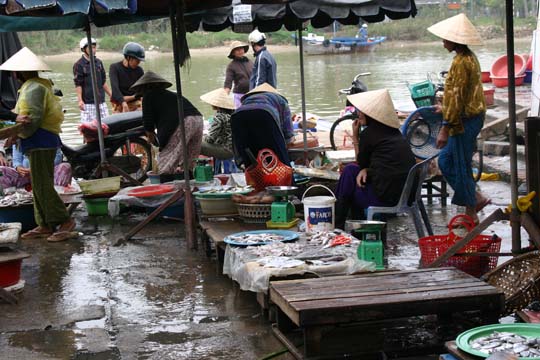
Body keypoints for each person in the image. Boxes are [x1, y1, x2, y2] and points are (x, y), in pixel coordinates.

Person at [0, 47, 75, 242]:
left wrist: (15, 134)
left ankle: (65, 221)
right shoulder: (32, 86)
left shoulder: (35, 88)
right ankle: (44, 224)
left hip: (41, 140)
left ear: (20, 73)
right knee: (38, 185)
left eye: (15, 72)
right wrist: (16, 135)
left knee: (42, 185)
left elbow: (31, 120)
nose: (13, 76)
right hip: (34, 141)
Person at [428, 13, 490, 224]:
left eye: (446, 38)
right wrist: (444, 107)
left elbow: (457, 96)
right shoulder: (464, 58)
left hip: (466, 120)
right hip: (466, 116)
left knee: (456, 163)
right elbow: (458, 95)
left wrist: (445, 127)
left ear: (455, 41)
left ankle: (471, 208)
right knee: (448, 161)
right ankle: (475, 199)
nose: (443, 41)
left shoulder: (463, 62)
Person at [334, 89, 416, 229]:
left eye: (361, 111)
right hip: (405, 195)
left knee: (349, 175)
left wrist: (355, 137)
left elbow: (361, 163)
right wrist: (366, 169)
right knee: (351, 171)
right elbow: (379, 165)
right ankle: (346, 224)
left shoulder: (369, 134)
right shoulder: (394, 133)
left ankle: (339, 223)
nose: (358, 114)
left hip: (386, 199)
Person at [130, 71, 203, 176]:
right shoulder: (170, 95)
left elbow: (148, 122)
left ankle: (166, 182)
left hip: (184, 122)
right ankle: (188, 182)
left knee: (167, 158)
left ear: (144, 88)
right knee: (189, 160)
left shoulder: (148, 96)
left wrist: (152, 138)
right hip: (197, 119)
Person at [231, 83, 293, 168]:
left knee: (250, 159)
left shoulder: (246, 101)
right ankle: (285, 180)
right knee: (281, 160)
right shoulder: (281, 100)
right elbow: (288, 132)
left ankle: (254, 179)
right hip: (265, 114)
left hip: (237, 115)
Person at [73, 37, 112, 123]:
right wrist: (80, 100)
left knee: (106, 126)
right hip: (88, 103)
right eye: (90, 47)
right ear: (83, 49)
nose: (93, 50)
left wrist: (111, 95)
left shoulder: (98, 62)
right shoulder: (79, 65)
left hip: (101, 102)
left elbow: (103, 81)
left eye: (94, 47)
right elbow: (78, 84)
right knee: (88, 130)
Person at [0, 146, 71, 189]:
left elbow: (57, 158)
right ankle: (9, 198)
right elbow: (16, 160)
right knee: (1, 170)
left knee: (66, 166)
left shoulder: (51, 134)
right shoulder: (18, 137)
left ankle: (58, 195)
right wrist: (19, 168)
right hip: (26, 175)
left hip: (48, 173)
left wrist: (37, 168)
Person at [200, 88, 235, 160]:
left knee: (195, 145)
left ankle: (187, 168)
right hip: (234, 149)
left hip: (226, 150)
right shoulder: (232, 115)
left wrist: (202, 137)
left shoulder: (219, 117)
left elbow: (210, 139)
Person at [109, 42, 145, 113]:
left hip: (136, 103)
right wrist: (124, 103)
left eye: (139, 61)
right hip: (120, 104)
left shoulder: (139, 70)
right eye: (137, 60)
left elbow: (143, 89)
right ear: (128, 57)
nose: (138, 63)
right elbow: (115, 90)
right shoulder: (115, 68)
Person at [224, 41, 253, 108]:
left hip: (252, 94)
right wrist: (224, 99)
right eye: (237, 49)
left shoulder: (250, 62)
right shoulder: (231, 66)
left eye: (241, 48)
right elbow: (228, 84)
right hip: (239, 96)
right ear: (233, 52)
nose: (240, 51)